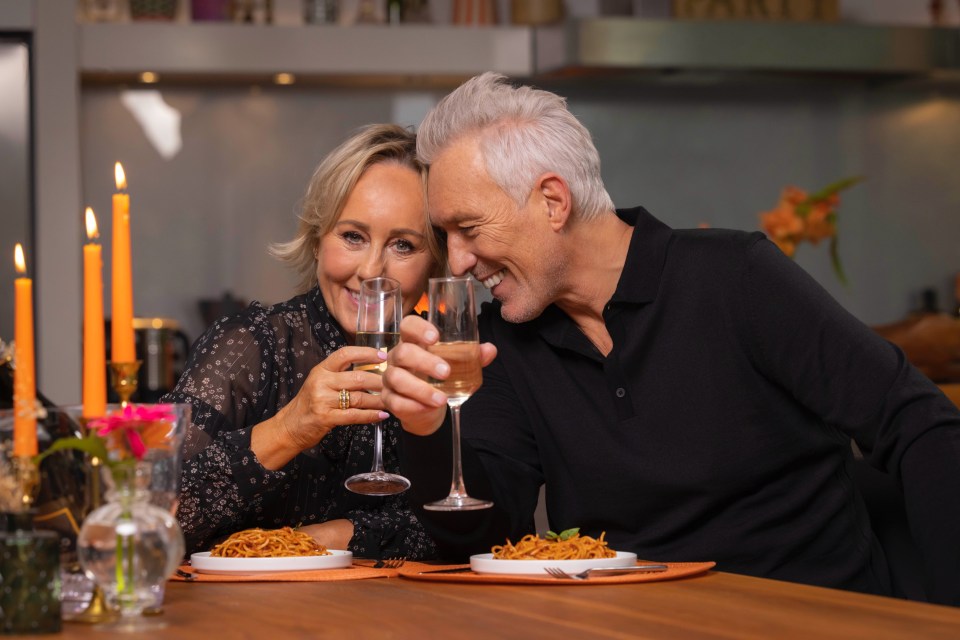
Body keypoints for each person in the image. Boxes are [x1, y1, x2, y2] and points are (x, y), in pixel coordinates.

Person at [381, 73, 960, 604]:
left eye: (469, 228)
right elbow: (490, 534)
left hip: (811, 615)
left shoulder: (736, 276)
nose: (455, 260)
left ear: (553, 202)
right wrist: (427, 431)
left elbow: (919, 426)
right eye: (444, 233)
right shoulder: (507, 343)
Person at [167, 124, 444, 560]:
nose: (372, 269)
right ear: (317, 239)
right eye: (352, 236)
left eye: (404, 245)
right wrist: (291, 427)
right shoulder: (251, 346)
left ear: (435, 263)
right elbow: (154, 516)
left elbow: (465, 531)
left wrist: (326, 537)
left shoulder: (443, 364)